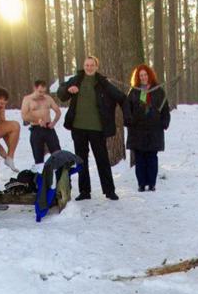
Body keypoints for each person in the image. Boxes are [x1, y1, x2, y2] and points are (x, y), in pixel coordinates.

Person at [57, 54, 125, 201]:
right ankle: (85, 192)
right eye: (87, 65)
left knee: (102, 160)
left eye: (92, 65)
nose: (89, 67)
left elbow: (120, 96)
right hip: (78, 127)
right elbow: (60, 93)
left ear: (96, 67)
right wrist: (69, 89)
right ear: (84, 66)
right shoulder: (76, 80)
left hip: (97, 129)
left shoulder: (103, 82)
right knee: (81, 160)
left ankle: (109, 191)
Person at [125, 64, 170, 192]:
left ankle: (151, 183)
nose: (143, 78)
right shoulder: (134, 92)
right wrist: (130, 121)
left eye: (145, 75)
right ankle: (141, 183)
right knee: (139, 158)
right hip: (137, 130)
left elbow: (165, 109)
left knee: (151, 157)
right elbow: (128, 108)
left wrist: (164, 122)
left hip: (154, 130)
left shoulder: (158, 91)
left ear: (149, 75)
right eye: (141, 76)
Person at [21, 79, 62, 170]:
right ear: (34, 88)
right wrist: (38, 120)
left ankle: (61, 179)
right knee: (38, 158)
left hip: (48, 128)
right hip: (36, 129)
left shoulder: (48, 98)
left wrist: (54, 122)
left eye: (44, 92)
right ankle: (41, 181)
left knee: (58, 155)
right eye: (40, 91)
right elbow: (24, 116)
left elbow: (58, 112)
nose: (42, 94)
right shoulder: (27, 99)